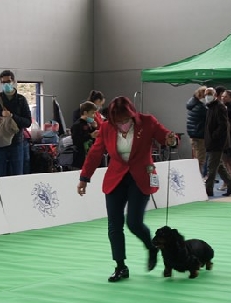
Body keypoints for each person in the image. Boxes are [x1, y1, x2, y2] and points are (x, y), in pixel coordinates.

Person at [76, 96, 177, 282]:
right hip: (116, 178)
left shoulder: (147, 122)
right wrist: (84, 178)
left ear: (132, 114)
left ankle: (151, 247)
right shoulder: (106, 128)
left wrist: (171, 140)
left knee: (134, 223)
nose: (122, 123)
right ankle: (120, 266)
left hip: (141, 176)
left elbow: (166, 137)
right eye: (118, 120)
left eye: (126, 119)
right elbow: (95, 154)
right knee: (114, 225)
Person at [203, 87, 231, 197]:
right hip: (212, 141)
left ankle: (208, 189)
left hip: (217, 142)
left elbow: (223, 125)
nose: (207, 96)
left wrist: (214, 136)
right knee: (219, 166)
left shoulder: (219, 107)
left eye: (209, 94)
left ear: (215, 95)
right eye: (206, 94)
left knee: (212, 167)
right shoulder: (211, 107)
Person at [70, 100, 99, 169]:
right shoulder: (77, 125)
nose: (94, 116)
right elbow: (76, 141)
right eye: (92, 113)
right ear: (85, 113)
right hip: (80, 160)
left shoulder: (89, 125)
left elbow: (93, 139)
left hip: (90, 158)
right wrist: (90, 135)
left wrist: (94, 128)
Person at [185, 85, 208, 175]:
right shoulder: (201, 107)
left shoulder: (191, 104)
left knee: (196, 158)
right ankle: (198, 177)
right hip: (200, 135)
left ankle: (196, 176)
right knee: (200, 159)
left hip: (193, 135)